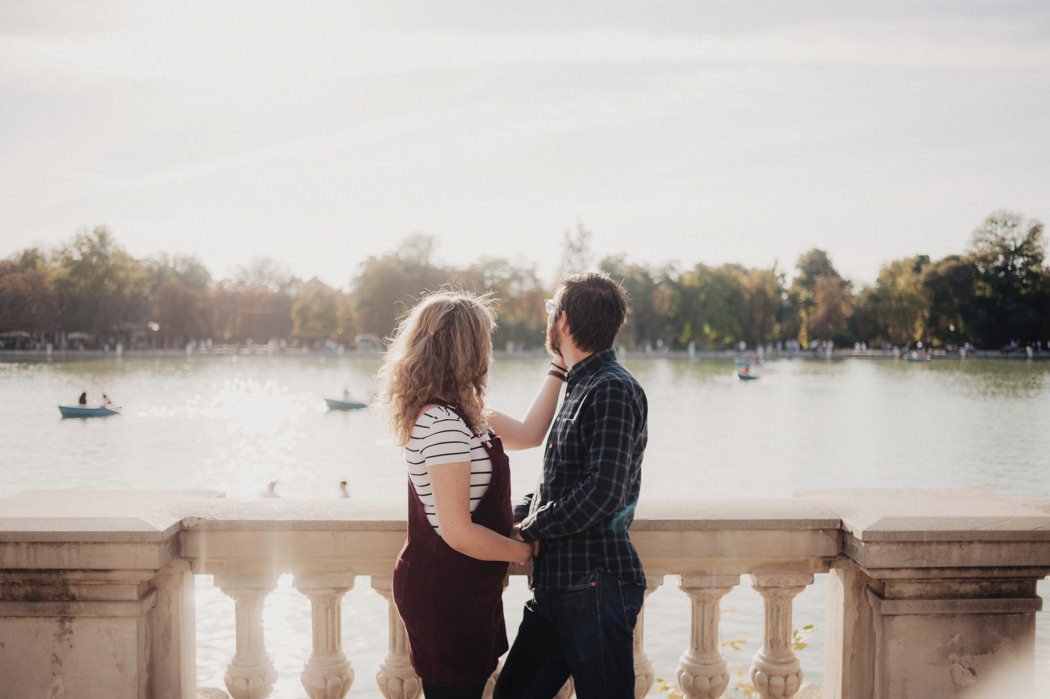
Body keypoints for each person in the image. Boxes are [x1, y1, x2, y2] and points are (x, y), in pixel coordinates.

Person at [378, 289, 563, 699]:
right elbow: (458, 532)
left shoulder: (467, 414)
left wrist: (559, 368)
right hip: (443, 595)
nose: (489, 352)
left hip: (463, 589)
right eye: (484, 341)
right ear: (467, 350)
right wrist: (524, 552)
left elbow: (532, 435)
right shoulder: (441, 424)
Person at [494, 272, 649, 699]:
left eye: (549, 309)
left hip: (595, 586)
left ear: (562, 322)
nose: (548, 317)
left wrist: (530, 529)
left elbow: (603, 492)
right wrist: (513, 514)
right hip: (561, 587)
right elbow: (562, 484)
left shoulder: (612, 388)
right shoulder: (582, 384)